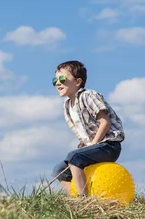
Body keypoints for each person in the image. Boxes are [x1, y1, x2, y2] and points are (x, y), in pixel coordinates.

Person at [51, 60, 125, 196]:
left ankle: (83, 200)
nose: (57, 83)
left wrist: (93, 144)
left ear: (78, 82)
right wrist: (85, 146)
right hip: (94, 146)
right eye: (54, 80)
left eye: (62, 78)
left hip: (109, 146)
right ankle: (74, 198)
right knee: (59, 170)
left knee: (73, 158)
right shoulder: (67, 106)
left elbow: (105, 122)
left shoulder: (88, 96)